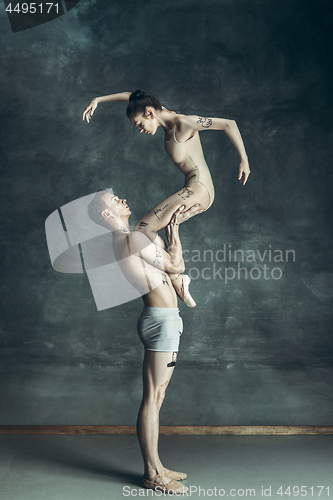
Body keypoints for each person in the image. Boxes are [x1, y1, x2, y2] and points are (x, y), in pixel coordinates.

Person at [83, 90, 250, 306]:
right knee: (143, 229)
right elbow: (131, 96)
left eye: (140, 124)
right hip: (193, 187)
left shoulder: (184, 123)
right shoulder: (163, 120)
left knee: (142, 228)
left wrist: (243, 160)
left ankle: (177, 276)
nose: (140, 130)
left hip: (199, 188)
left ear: (150, 113)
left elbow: (229, 124)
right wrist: (98, 100)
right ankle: (176, 276)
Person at [87, 190, 201, 494]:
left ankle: (158, 466)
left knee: (157, 396)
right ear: (106, 215)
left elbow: (170, 271)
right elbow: (176, 267)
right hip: (161, 322)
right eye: (114, 201)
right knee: (153, 397)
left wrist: (168, 238)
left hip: (163, 320)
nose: (123, 199)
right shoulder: (129, 240)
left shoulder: (128, 239)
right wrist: (173, 231)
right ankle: (152, 473)